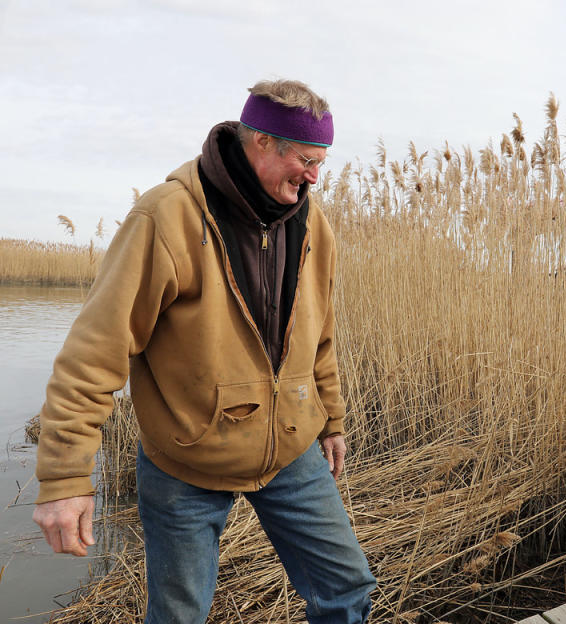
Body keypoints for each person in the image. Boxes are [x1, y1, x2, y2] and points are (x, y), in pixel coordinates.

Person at [32, 79, 377, 624]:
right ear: (261, 142)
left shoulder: (315, 225)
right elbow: (93, 353)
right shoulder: (166, 217)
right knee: (179, 614)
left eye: (321, 164)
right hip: (185, 457)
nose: (314, 177)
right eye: (307, 161)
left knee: (348, 590)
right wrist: (65, 478)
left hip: (292, 447)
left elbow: (321, 335)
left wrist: (331, 418)